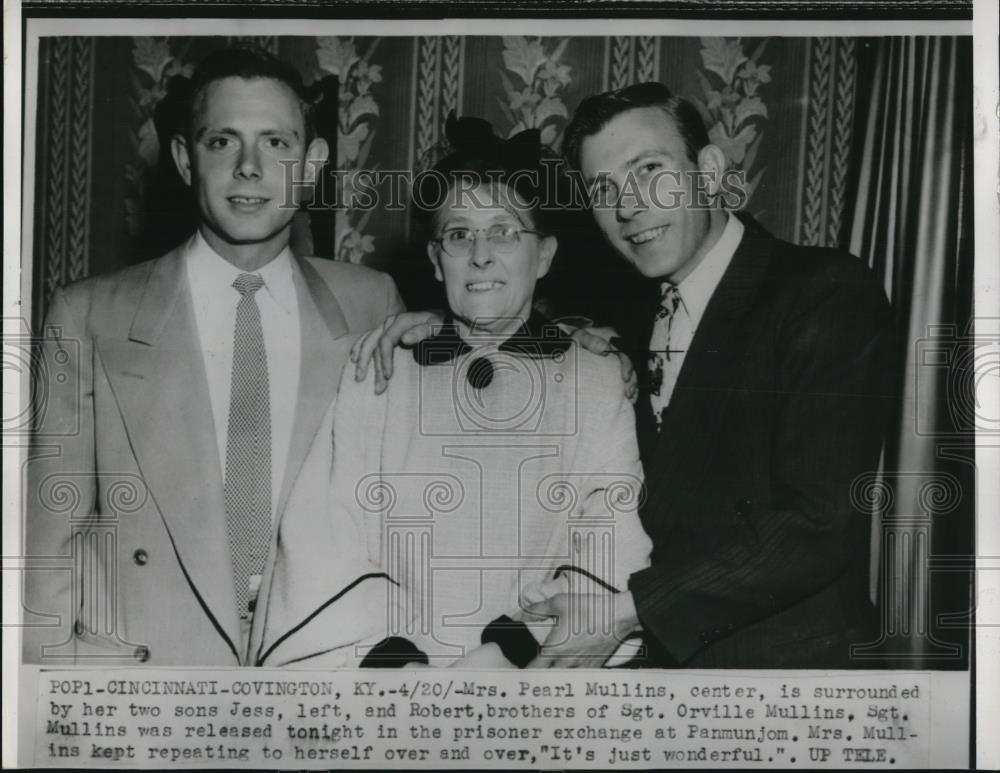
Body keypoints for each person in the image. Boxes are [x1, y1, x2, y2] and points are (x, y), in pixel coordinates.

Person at [354, 83, 896, 669]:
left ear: (709, 170)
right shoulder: (633, 315)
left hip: (785, 676)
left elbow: (820, 522)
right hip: (658, 679)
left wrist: (628, 612)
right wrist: (444, 323)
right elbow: (534, 336)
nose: (628, 205)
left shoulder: (821, 290)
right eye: (604, 189)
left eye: (650, 170)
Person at [22, 45, 404, 667]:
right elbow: (48, 534)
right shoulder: (90, 315)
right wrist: (49, 701)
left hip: (318, 682)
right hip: (145, 682)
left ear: (311, 164)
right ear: (183, 159)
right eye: (223, 141)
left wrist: (570, 343)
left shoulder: (371, 302)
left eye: (276, 143)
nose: (249, 167)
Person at [331, 113, 652, 668]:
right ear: (436, 261)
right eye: (458, 234)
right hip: (385, 677)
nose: (481, 254)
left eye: (505, 231)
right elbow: (327, 532)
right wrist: (389, 660)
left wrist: (515, 647)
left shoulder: (597, 384)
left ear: (544, 255)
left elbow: (611, 541)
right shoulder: (380, 372)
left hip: (531, 678)